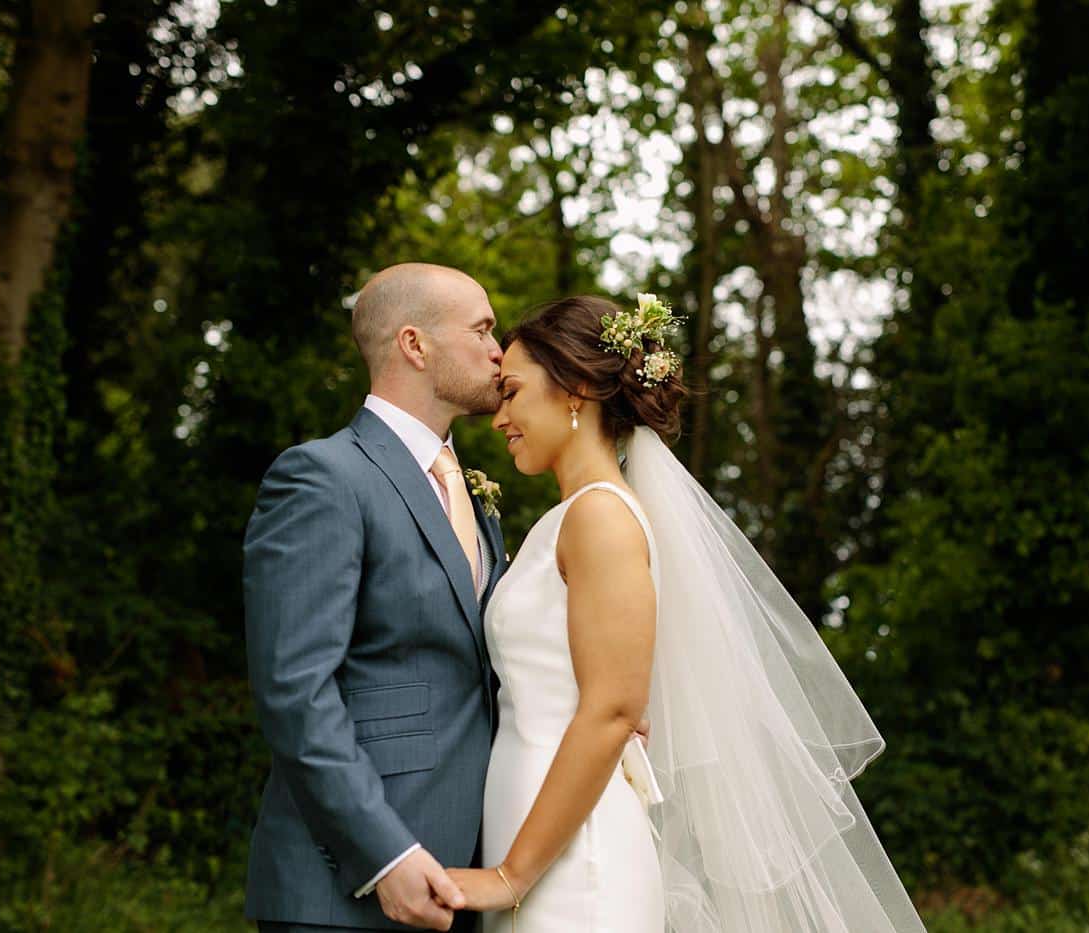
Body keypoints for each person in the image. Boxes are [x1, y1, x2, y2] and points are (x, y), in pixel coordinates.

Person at [448, 294, 929, 932]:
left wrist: (511, 874)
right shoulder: (564, 522)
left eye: (511, 392)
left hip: (574, 861)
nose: (499, 416)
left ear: (578, 389)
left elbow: (612, 709)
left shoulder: (600, 518)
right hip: (538, 834)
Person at [242, 262, 509, 932]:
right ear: (415, 345)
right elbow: (294, 689)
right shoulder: (323, 477)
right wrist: (384, 853)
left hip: (467, 876)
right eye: (482, 329)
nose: (498, 351)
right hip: (345, 888)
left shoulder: (475, 496)